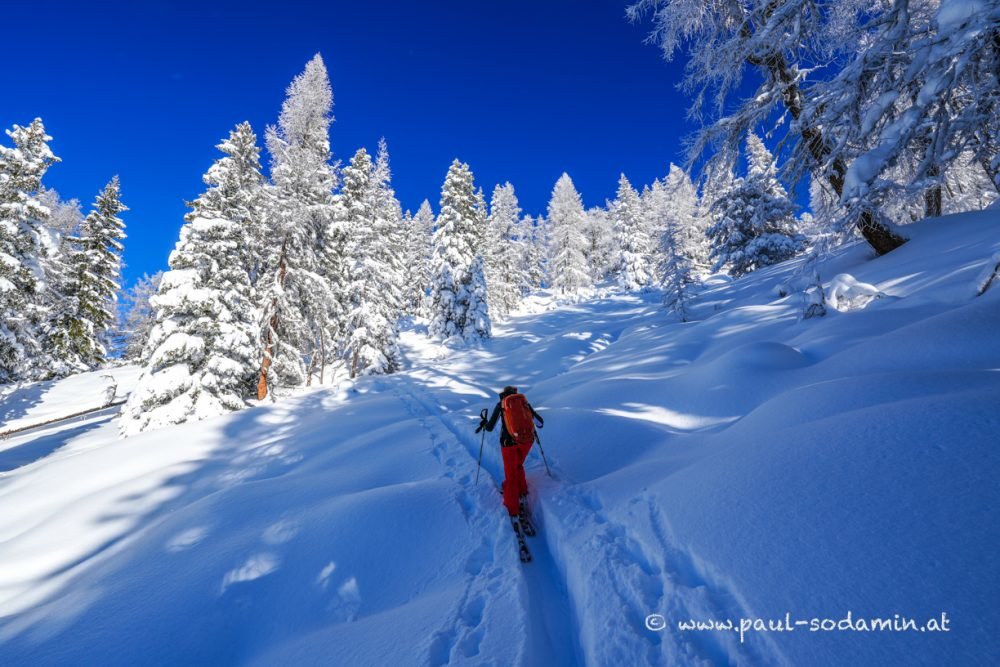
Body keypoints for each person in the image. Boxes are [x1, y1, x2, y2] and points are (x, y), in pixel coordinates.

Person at [479, 386, 543, 517]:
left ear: (503, 394)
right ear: (515, 393)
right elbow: (540, 423)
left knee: (511, 474)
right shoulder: (523, 403)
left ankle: (512, 508)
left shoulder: (501, 404)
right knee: (518, 464)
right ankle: (522, 490)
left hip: (508, 444)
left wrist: (484, 424)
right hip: (526, 442)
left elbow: (490, 428)